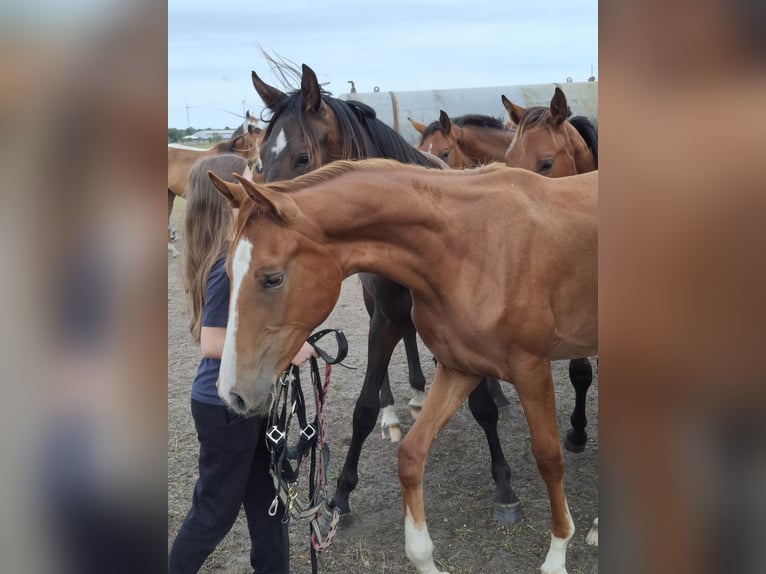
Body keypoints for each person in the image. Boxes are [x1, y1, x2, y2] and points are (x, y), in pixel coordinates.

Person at [169, 153, 316, 574]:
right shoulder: (223, 265)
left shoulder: (227, 256)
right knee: (214, 513)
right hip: (224, 408)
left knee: (267, 502)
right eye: (246, 182)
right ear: (225, 198)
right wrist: (289, 350)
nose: (254, 188)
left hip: (245, 401)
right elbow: (212, 341)